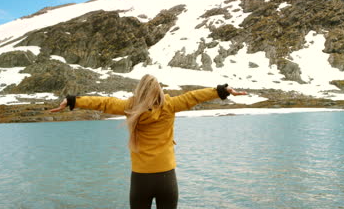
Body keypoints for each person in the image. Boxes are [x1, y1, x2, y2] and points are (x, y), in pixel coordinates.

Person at [50, 74, 248, 209]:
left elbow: (104, 103)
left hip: (141, 179)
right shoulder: (170, 105)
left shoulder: (130, 106)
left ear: (140, 90)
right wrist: (222, 90)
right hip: (166, 177)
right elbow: (193, 97)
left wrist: (73, 100)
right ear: (158, 90)